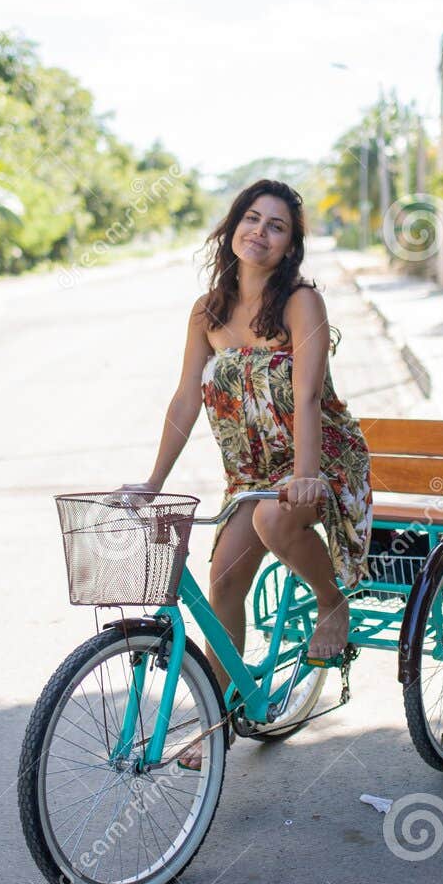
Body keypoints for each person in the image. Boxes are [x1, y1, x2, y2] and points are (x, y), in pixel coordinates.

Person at [117, 178, 373, 769]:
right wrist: (153, 482)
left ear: (290, 245)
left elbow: (307, 395)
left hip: (323, 458)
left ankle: (332, 602)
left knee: (272, 517)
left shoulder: (300, 302)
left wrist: (306, 476)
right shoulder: (206, 312)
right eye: (252, 219)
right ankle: (218, 722)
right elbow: (185, 400)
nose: (260, 232)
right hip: (252, 471)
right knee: (223, 584)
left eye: (276, 225)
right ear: (233, 228)